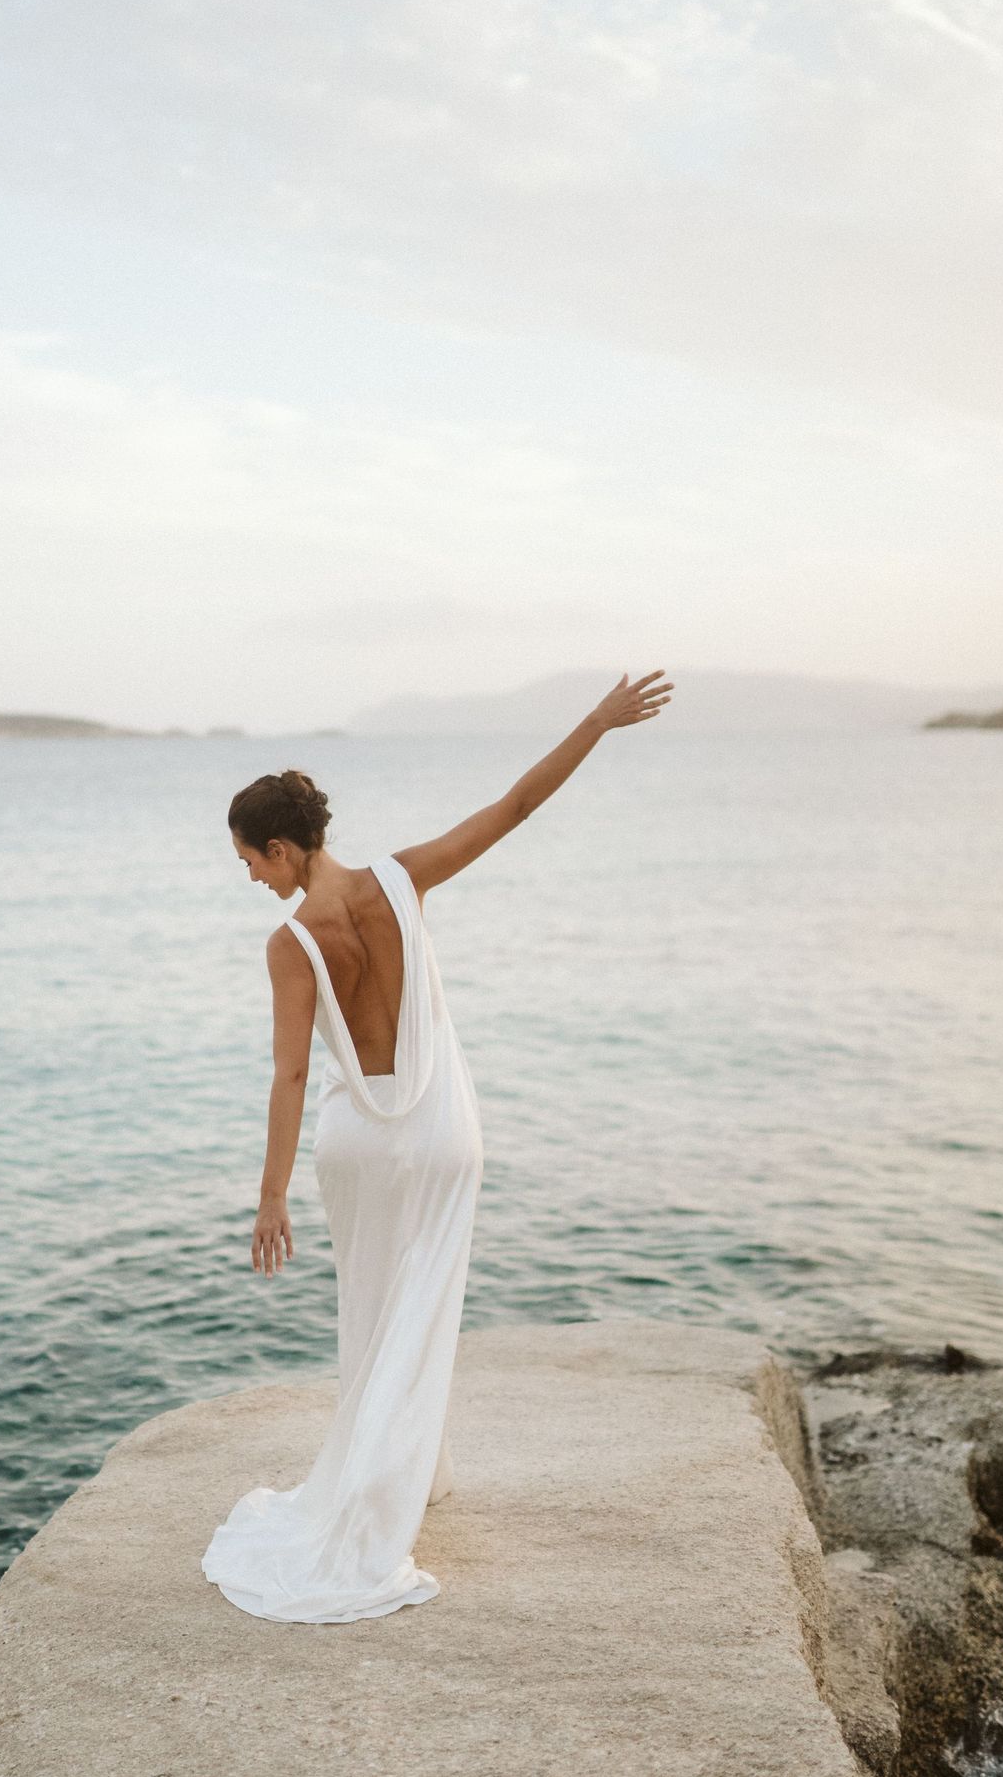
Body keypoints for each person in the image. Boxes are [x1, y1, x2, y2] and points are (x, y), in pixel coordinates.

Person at [200, 669, 673, 1624]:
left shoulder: (290, 944)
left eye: (251, 860)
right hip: (445, 1132)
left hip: (361, 1147)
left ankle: (379, 1499)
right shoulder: (403, 879)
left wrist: (271, 1197)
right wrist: (598, 721)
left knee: (376, 1313)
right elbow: (517, 805)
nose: (252, 876)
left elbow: (291, 1077)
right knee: (425, 1307)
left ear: (284, 849)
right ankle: (422, 1476)